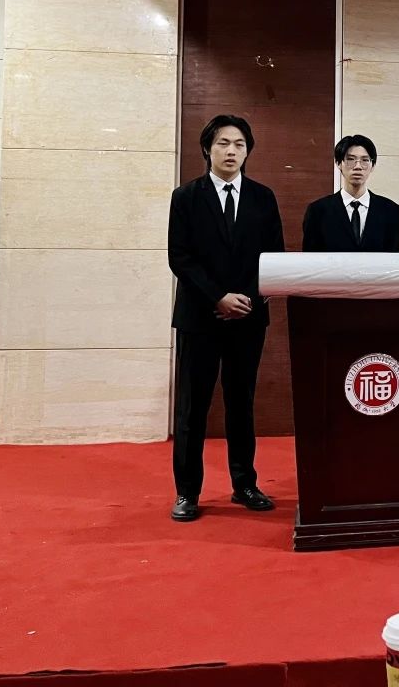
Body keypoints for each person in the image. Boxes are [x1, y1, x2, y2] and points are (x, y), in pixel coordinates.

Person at [167, 114, 284, 522]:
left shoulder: (263, 198)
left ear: (247, 151)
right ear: (207, 148)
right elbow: (180, 258)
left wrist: (245, 298)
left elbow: (273, 256)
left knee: (241, 404)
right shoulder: (186, 197)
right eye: (223, 143)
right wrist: (218, 297)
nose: (231, 151)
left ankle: (244, 484)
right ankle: (187, 492)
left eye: (239, 144)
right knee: (192, 407)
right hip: (200, 317)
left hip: (247, 318)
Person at [302, 134, 399, 253]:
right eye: (350, 159)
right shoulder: (318, 211)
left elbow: (391, 259)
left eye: (365, 160)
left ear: (373, 165)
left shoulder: (390, 210)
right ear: (338, 163)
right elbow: (311, 259)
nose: (358, 166)